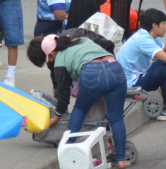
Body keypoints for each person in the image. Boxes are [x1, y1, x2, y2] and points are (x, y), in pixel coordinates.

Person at [29, 34, 132, 168]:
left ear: (51, 53)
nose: (50, 61)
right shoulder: (81, 40)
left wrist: (56, 118)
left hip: (92, 73)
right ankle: (121, 159)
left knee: (80, 108)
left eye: (50, 58)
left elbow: (64, 96)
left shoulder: (59, 61)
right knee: (116, 118)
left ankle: (69, 149)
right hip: (115, 68)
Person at [116, 9, 166, 119]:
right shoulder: (143, 40)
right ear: (154, 26)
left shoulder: (147, 35)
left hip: (140, 75)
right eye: (163, 24)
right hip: (131, 85)